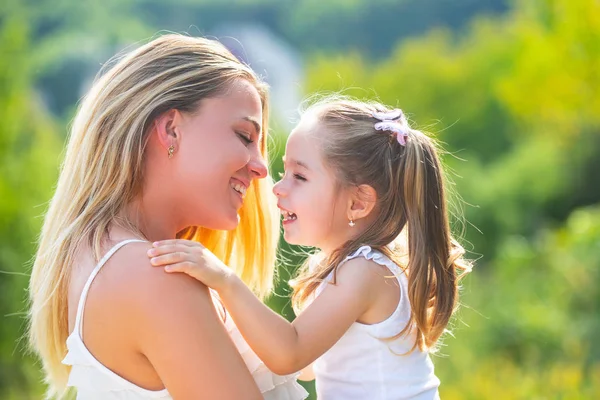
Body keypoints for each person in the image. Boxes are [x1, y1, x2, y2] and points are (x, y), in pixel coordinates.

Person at [28, 34, 308, 400]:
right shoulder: (157, 276)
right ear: (171, 128)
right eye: (244, 135)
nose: (259, 167)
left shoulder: (103, 259)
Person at [150, 96, 473, 399]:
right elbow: (308, 366)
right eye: (283, 172)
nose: (278, 188)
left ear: (358, 203)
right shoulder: (353, 269)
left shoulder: (363, 271)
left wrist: (224, 280)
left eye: (300, 177)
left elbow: (290, 355)